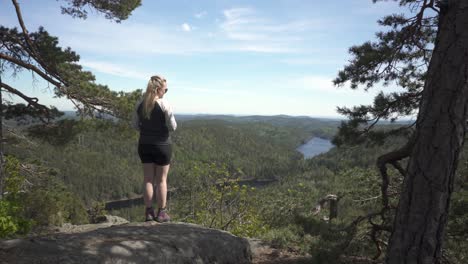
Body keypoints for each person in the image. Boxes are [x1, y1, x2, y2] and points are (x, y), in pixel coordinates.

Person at [132, 75, 177, 222]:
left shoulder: (140, 103)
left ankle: (149, 212)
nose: (166, 92)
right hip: (162, 145)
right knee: (162, 180)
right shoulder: (164, 104)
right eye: (166, 89)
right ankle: (162, 213)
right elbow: (173, 126)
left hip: (144, 145)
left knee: (148, 179)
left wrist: (147, 130)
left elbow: (134, 125)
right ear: (158, 89)